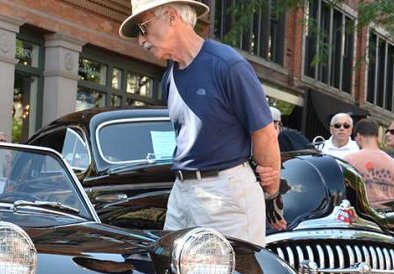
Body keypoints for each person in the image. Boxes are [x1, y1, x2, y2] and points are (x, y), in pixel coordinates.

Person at [120, 0, 284, 246]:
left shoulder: (228, 65)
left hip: (225, 193)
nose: (141, 41)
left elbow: (264, 133)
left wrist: (272, 194)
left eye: (143, 28)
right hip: (182, 192)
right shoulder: (170, 78)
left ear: (172, 16)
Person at [345, 119, 394, 206]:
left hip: (360, 214)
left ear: (358, 136)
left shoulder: (349, 160)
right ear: (377, 137)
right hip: (385, 215)